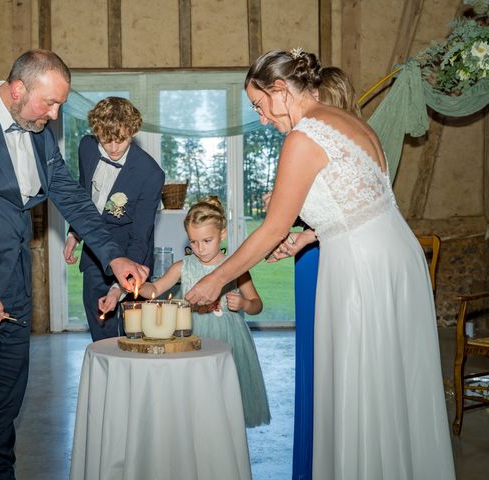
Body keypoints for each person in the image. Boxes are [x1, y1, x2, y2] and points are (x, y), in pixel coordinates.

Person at [186, 49, 455, 479]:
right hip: (392, 255)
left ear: (280, 90)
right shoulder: (352, 123)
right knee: (391, 385)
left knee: (363, 386)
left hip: (361, 268)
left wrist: (216, 280)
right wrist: (309, 236)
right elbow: (361, 203)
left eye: (259, 106)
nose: (261, 118)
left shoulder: (303, 137)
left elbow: (271, 228)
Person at [0, 49, 149, 480]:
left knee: (7, 395)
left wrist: (112, 254)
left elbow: (70, 194)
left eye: (60, 103)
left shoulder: (38, 129)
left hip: (14, 286)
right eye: (51, 102)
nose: (56, 113)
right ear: (18, 89)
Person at [262, 65, 361, 480]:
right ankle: (311, 460)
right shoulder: (306, 137)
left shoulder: (340, 139)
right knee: (311, 362)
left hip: (332, 257)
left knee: (335, 360)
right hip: (310, 255)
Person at [100, 197, 271, 428]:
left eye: (207, 240)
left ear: (222, 234)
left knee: (225, 398)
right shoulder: (182, 267)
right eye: (194, 241)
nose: (200, 248)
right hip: (191, 336)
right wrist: (132, 286)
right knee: (195, 398)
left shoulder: (236, 267)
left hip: (229, 339)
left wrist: (243, 304)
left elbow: (256, 303)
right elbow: (155, 289)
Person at [63, 97, 164, 341]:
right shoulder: (86, 148)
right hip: (94, 254)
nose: (114, 147)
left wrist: (121, 285)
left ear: (133, 131)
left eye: (122, 139)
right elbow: (82, 193)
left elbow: (141, 234)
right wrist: (74, 233)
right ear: (96, 132)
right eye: (106, 139)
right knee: (101, 329)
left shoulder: (151, 174)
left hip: (132, 255)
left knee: (135, 334)